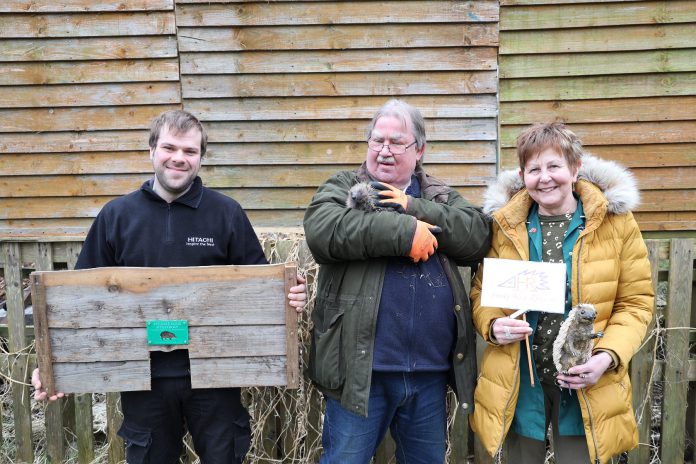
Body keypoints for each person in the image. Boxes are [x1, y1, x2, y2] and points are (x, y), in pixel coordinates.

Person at [32, 109, 307, 464]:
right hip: (143, 380)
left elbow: (260, 289)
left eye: (190, 151)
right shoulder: (116, 216)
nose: (179, 158)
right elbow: (76, 302)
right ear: (151, 151)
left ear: (201, 158)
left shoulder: (226, 214)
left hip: (216, 377)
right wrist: (54, 363)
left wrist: (290, 295)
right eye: (169, 147)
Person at [303, 99, 491, 463]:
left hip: (428, 373)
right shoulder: (345, 186)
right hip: (360, 371)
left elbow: (476, 236)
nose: (384, 151)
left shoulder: (437, 195)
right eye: (377, 141)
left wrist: (412, 207)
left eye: (396, 143)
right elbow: (323, 231)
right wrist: (405, 233)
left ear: (419, 150)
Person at [469, 122, 654, 464]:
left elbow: (636, 302)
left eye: (554, 166)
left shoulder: (615, 223)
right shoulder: (505, 225)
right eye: (534, 169)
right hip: (520, 382)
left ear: (575, 168)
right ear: (522, 174)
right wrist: (493, 326)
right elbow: (483, 293)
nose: (545, 178)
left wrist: (606, 357)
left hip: (586, 384)